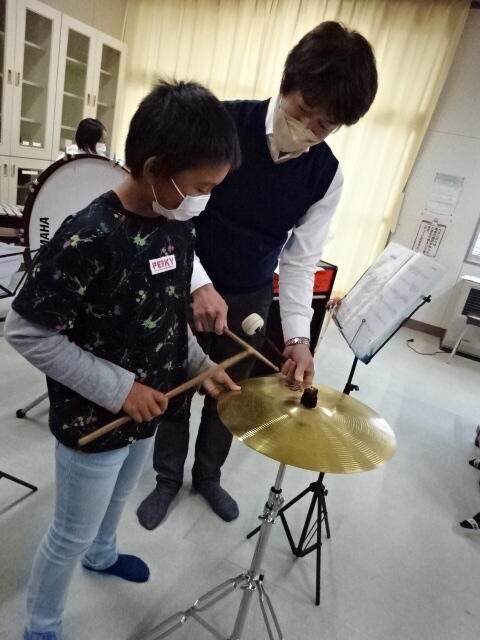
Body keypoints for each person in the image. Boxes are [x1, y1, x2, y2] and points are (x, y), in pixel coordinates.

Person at [4, 80, 241, 640]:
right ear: (156, 170)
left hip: (146, 407)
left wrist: (198, 365)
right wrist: (120, 390)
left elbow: (167, 317)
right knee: (70, 532)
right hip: (96, 418)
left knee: (117, 498)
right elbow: (27, 332)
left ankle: (104, 553)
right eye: (201, 187)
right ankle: (40, 624)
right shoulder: (88, 235)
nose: (205, 198)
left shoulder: (177, 227)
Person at [137, 21, 378, 530]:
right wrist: (198, 284)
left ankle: (207, 476)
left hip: (250, 293)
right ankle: (166, 477)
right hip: (186, 278)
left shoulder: (326, 174)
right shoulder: (221, 125)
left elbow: (300, 260)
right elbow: (174, 216)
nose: (309, 128)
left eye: (326, 125)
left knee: (233, 394)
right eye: (304, 110)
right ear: (287, 83)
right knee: (176, 383)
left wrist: (298, 339)